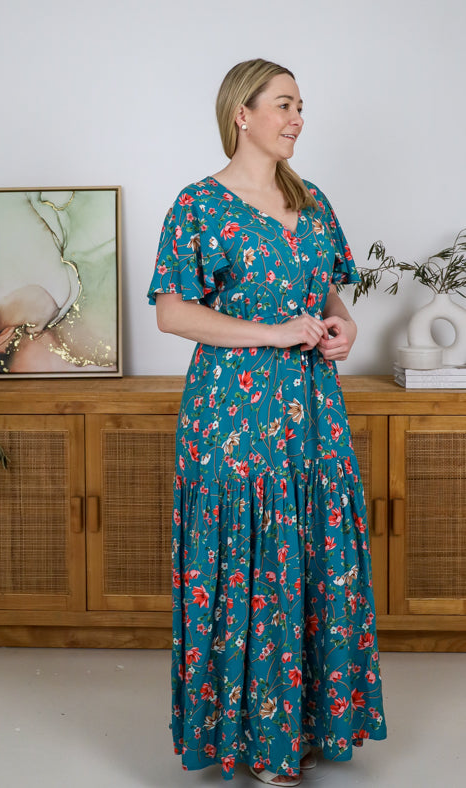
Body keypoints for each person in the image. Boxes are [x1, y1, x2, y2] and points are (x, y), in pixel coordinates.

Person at [147, 59, 387, 786]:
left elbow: (330, 295)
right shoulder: (198, 205)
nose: (297, 119)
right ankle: (255, 740)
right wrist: (274, 334)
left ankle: (303, 727)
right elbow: (172, 312)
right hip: (233, 413)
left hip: (312, 409)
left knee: (312, 552)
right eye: (283, 105)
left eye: (300, 106)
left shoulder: (312, 201)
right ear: (241, 114)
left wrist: (344, 326)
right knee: (246, 561)